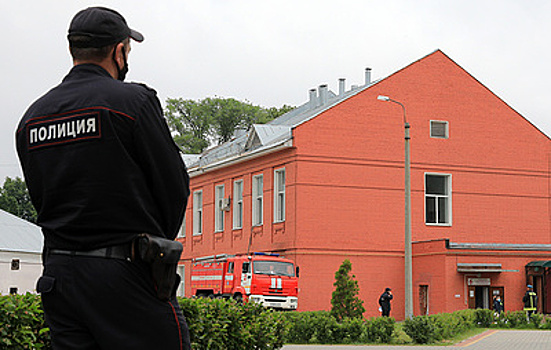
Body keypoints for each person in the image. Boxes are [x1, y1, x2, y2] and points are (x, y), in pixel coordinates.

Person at [16, 7, 191, 350]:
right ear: (118, 50)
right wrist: (151, 246)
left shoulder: (32, 117)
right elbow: (174, 187)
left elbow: (40, 196)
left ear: (73, 50)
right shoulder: (133, 102)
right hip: (124, 273)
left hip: (60, 276)